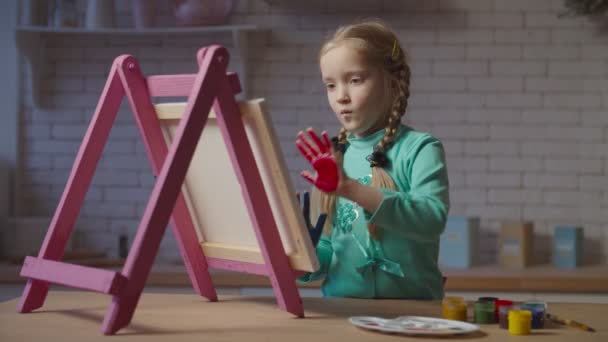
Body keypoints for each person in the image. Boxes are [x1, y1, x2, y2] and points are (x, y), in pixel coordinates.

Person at [295, 20, 450, 299]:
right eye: (330, 85)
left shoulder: (419, 149)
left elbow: (431, 219)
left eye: (355, 80)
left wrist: (351, 189)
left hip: (413, 313)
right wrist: (298, 259)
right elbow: (328, 249)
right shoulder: (333, 157)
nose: (341, 96)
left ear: (392, 82)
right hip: (343, 313)